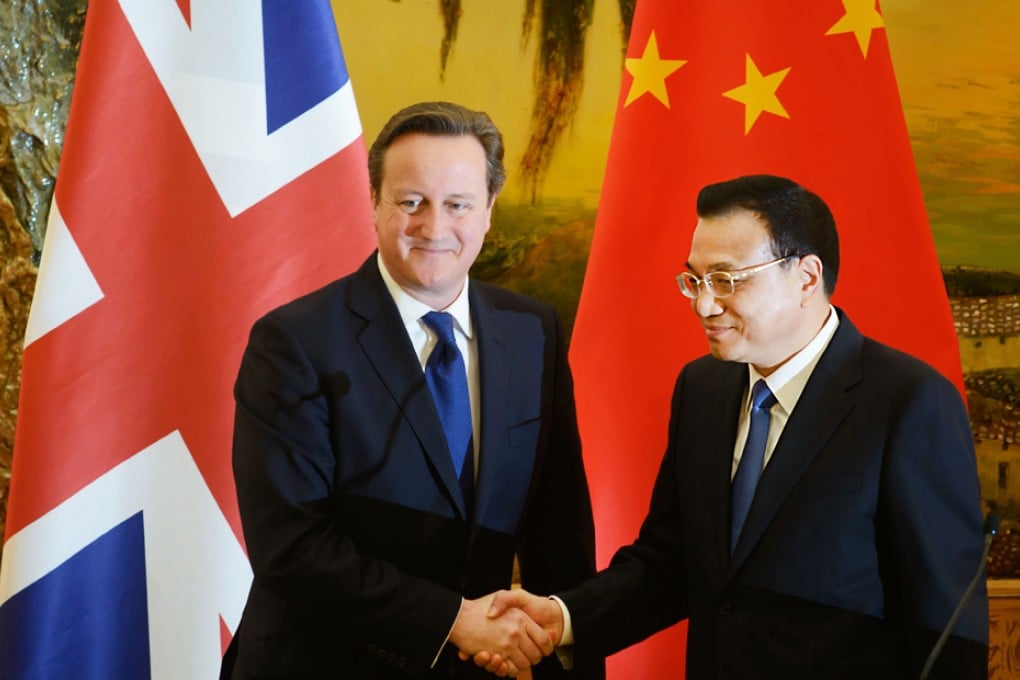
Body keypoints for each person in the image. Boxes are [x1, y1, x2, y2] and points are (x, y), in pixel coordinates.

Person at [481, 174, 989, 678]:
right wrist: (564, 618)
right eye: (695, 280)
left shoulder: (909, 403)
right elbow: (670, 561)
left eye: (726, 280)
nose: (704, 305)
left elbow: (947, 629)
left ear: (806, 278)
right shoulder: (704, 389)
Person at [221, 101, 602, 679]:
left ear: (489, 210)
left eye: (458, 204)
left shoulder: (533, 332)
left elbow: (560, 530)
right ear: (374, 204)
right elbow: (290, 548)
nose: (434, 227)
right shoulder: (293, 343)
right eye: (411, 202)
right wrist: (453, 620)